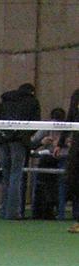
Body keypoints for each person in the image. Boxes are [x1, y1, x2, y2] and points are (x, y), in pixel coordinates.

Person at [0, 82, 41, 220]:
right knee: (16, 176)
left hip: (2, 140)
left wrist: (2, 134)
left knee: (6, 176)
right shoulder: (32, 102)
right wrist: (25, 136)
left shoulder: (5, 101)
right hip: (19, 141)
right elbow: (35, 123)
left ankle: (4, 210)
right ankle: (13, 212)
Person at [67, 88, 79, 232]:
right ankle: (77, 219)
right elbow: (70, 118)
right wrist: (61, 142)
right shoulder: (76, 94)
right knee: (74, 180)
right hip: (77, 145)